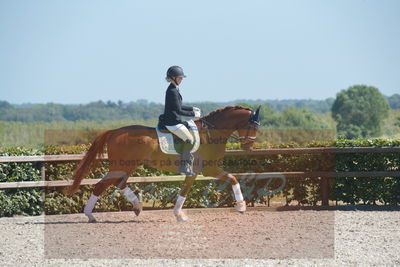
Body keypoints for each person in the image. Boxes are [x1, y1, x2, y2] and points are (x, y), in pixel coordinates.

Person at [159, 66, 201, 175]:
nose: (181, 79)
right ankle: (184, 167)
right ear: (173, 78)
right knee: (189, 140)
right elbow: (178, 110)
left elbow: (180, 105)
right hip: (172, 122)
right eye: (179, 78)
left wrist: (192, 108)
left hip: (175, 120)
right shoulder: (172, 91)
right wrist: (193, 114)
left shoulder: (174, 89)